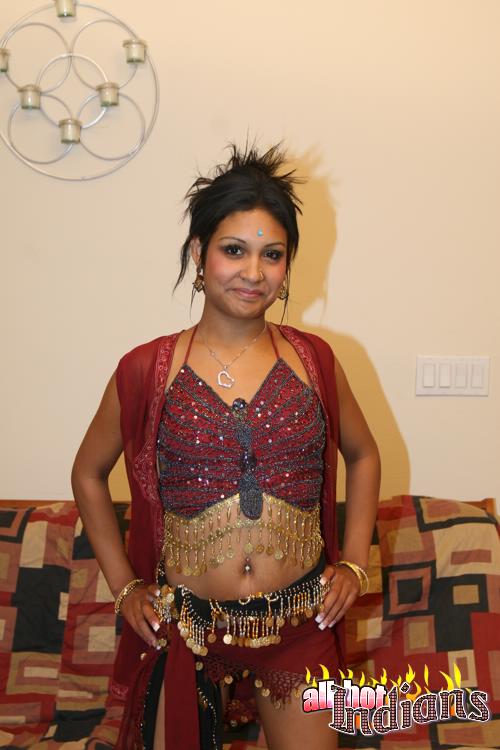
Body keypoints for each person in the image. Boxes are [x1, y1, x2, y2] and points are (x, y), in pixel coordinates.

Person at [71, 143, 381, 750]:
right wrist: (125, 586)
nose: (254, 272)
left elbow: (364, 454)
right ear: (199, 253)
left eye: (273, 254)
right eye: (234, 250)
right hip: (187, 630)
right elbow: (87, 473)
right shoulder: (147, 370)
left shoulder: (315, 361)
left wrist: (353, 563)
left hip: (298, 625)